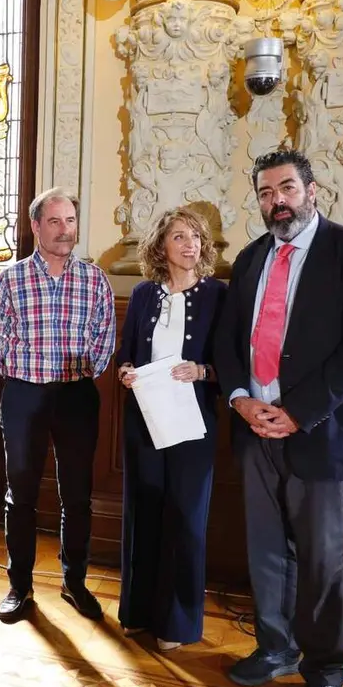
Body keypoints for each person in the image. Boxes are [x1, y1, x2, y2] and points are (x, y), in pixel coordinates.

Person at [214, 149, 343, 687]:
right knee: (266, 552)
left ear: (312, 190)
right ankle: (275, 647)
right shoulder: (248, 259)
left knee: (320, 561)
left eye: (286, 188)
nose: (276, 200)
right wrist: (241, 400)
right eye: (265, 193)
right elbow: (228, 341)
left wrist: (297, 411)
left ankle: (326, 670)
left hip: (324, 429)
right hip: (256, 428)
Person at [0, 186, 116, 624]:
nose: (64, 230)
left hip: (76, 397)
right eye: (54, 221)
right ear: (36, 226)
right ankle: (19, 587)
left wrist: (78, 372)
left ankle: (74, 583)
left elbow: (104, 340)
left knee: (76, 496)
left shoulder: (94, 280)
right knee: (20, 495)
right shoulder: (9, 280)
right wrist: (23, 377)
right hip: (24, 394)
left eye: (70, 221)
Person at [115, 206, 226, 652]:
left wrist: (202, 371)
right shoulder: (144, 294)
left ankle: (177, 624)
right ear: (161, 245)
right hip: (143, 416)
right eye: (179, 236)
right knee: (143, 510)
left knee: (185, 517)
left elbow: (232, 363)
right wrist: (125, 370)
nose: (189, 244)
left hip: (193, 420)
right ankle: (138, 612)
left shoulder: (218, 295)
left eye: (196, 237)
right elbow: (126, 351)